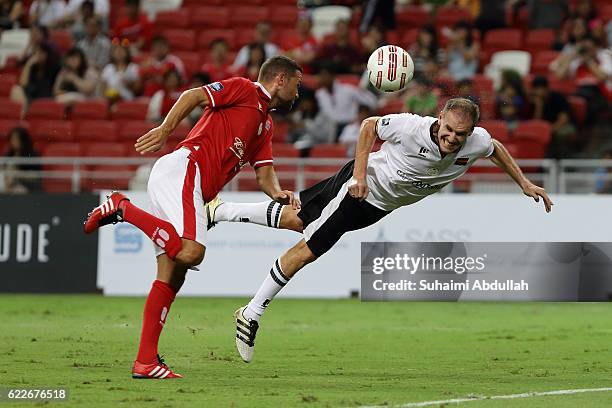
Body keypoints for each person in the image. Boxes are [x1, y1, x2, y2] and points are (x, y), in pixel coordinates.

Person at [204, 98, 553, 363]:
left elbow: (496, 150)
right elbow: (370, 125)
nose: (452, 138)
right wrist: (358, 176)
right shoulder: (411, 127)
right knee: (310, 247)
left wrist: (523, 182)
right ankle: (251, 312)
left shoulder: (476, 140)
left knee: (297, 218)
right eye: (448, 130)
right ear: (440, 118)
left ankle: (220, 210)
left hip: (379, 206)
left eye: (460, 135)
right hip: (361, 188)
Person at [83, 56, 303, 379]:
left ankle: (145, 362)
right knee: (191, 251)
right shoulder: (244, 90)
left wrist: (279, 194)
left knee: (173, 274)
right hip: (186, 169)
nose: (299, 92)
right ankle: (122, 207)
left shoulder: (265, 125)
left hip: (191, 185)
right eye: (297, 83)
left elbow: (265, 174)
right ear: (280, 79)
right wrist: (165, 129)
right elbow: (193, 96)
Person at [528, 75, 576, 158]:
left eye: (539, 89)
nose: (537, 92)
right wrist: (539, 106)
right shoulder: (534, 102)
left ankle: (564, 159)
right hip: (546, 129)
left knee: (562, 134)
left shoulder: (557, 97)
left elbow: (564, 119)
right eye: (535, 89)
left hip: (563, 126)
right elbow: (536, 123)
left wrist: (550, 129)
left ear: (546, 88)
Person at [3, 127, 41, 193]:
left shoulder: (32, 155)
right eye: (12, 139)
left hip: (28, 187)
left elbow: (36, 176)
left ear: (23, 140)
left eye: (16, 139)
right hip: (8, 186)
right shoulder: (9, 155)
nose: (13, 141)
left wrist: (19, 175)